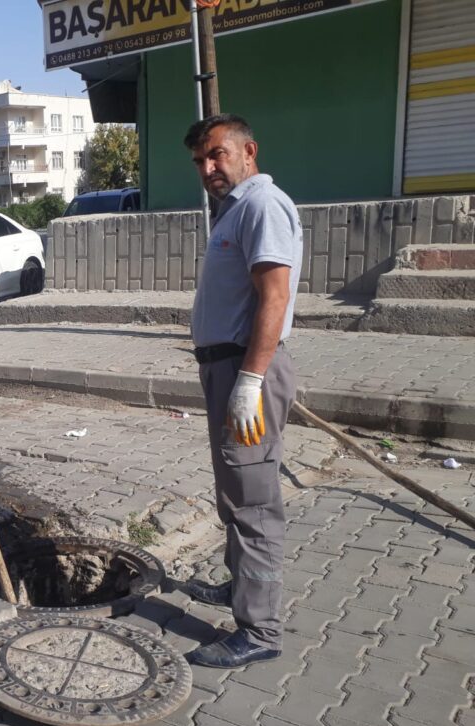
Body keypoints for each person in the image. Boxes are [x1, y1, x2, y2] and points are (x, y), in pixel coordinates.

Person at [182, 114, 303, 669]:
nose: (208, 168)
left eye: (217, 155)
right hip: (227, 369)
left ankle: (260, 630)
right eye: (201, 161)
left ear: (248, 150)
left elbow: (273, 298)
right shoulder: (235, 211)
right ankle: (239, 592)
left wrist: (250, 382)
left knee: (253, 503)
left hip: (245, 371)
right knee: (235, 493)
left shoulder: (261, 205)